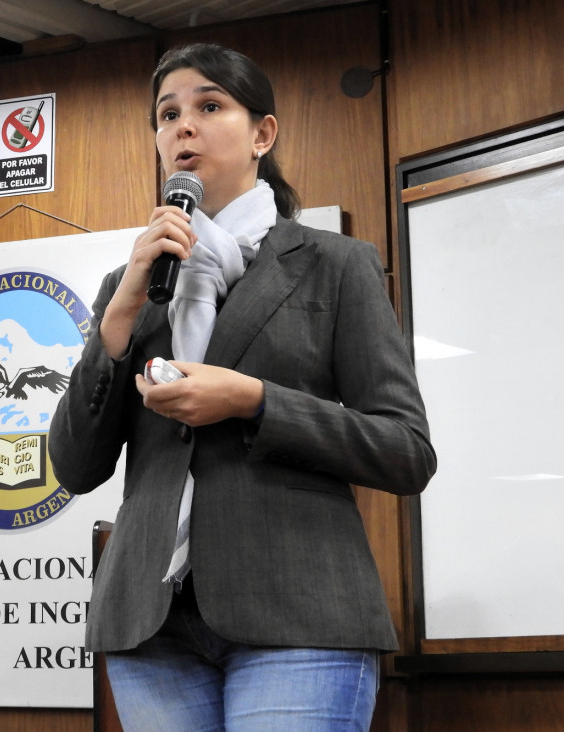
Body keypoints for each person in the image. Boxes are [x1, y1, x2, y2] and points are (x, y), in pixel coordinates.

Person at [48, 42, 436, 731]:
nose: (181, 127)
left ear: (262, 133)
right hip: (151, 624)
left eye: (208, 105)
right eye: (166, 115)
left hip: (300, 613)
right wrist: (114, 324)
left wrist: (254, 400)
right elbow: (76, 468)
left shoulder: (334, 265)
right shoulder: (133, 284)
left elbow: (404, 449)